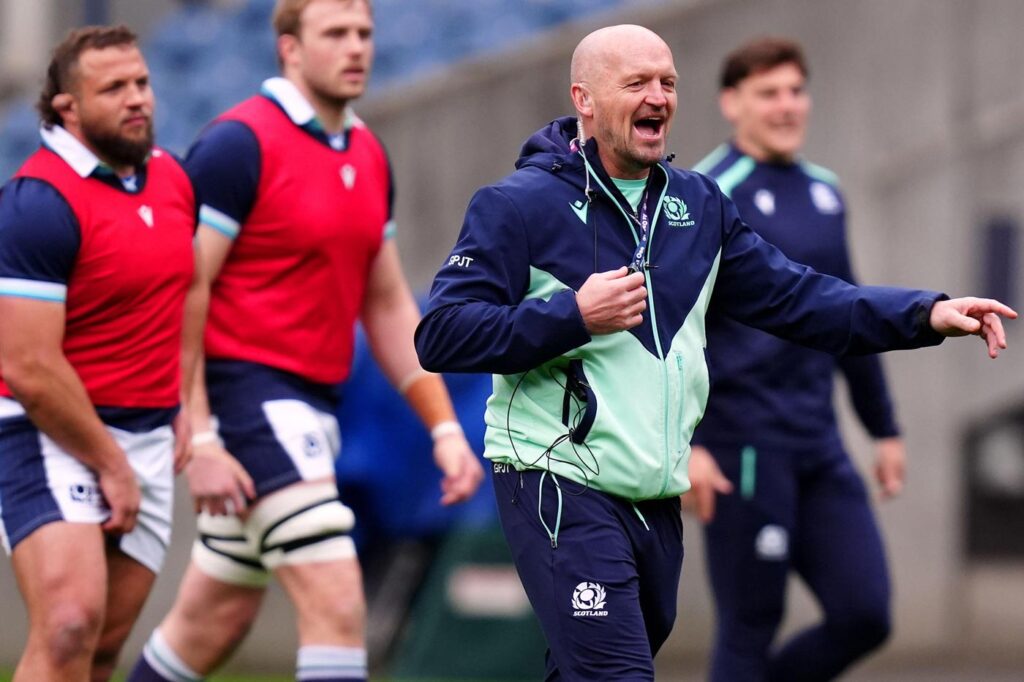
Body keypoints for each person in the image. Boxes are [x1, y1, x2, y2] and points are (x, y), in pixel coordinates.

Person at [413, 23, 1016, 682]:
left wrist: (925, 312)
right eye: (636, 82)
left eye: (668, 82)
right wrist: (572, 315)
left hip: (653, 496)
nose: (659, 96)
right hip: (556, 484)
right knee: (617, 675)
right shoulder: (518, 206)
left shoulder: (697, 205)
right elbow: (442, 334)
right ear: (583, 99)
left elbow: (802, 299)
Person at [127, 1, 484, 681]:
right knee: (338, 598)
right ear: (289, 48)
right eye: (336, 35)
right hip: (246, 397)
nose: (356, 48)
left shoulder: (369, 154)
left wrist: (442, 428)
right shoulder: (238, 144)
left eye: (365, 34)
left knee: (214, 620)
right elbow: (180, 289)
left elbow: (384, 304)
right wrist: (197, 434)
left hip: (313, 402)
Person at [684, 36, 911, 681]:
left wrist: (884, 427)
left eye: (795, 91)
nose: (787, 106)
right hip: (741, 448)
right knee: (750, 626)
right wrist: (686, 443)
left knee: (865, 613)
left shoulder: (825, 192)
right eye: (768, 93)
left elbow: (847, 314)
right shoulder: (704, 196)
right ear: (732, 103)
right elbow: (673, 332)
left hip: (819, 442)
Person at [0, 25, 203, 682]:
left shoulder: (171, 177)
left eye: (141, 82)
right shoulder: (36, 202)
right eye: (113, 88)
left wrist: (183, 396)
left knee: (105, 648)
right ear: (66, 107)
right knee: (67, 627)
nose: (137, 98)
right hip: (45, 431)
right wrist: (111, 463)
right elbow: (27, 369)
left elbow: (190, 289)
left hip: (144, 434)